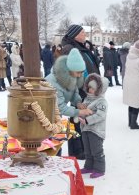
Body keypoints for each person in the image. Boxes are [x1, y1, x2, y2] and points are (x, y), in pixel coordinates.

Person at [45, 48, 93, 158]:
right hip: (45, 114)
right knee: (50, 142)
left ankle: (56, 159)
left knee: (56, 139)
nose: (80, 75)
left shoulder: (72, 76)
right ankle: (52, 162)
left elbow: (74, 92)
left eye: (82, 72)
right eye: (78, 72)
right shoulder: (53, 82)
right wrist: (79, 111)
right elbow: (60, 107)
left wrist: (78, 102)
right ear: (69, 70)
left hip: (55, 116)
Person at [61, 24, 100, 159]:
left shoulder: (79, 47)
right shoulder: (70, 49)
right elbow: (72, 71)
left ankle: (83, 147)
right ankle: (77, 150)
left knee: (82, 119)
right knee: (76, 119)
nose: (85, 35)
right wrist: (82, 88)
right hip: (78, 90)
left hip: (86, 90)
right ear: (75, 35)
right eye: (82, 32)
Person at [79, 73, 109, 179]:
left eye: (92, 88)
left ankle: (100, 169)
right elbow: (83, 111)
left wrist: (87, 120)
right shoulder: (87, 99)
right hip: (85, 129)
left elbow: (100, 115)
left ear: (99, 89)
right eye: (89, 87)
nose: (90, 90)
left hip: (96, 130)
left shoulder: (102, 102)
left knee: (96, 150)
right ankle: (89, 166)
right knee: (87, 149)